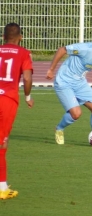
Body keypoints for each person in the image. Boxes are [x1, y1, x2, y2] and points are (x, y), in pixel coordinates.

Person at [0, 23, 34, 199]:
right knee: (2, 143)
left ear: (3, 37)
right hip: (7, 100)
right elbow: (27, 77)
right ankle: (2, 188)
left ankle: (2, 185)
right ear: (20, 37)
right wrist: (28, 97)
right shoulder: (23, 53)